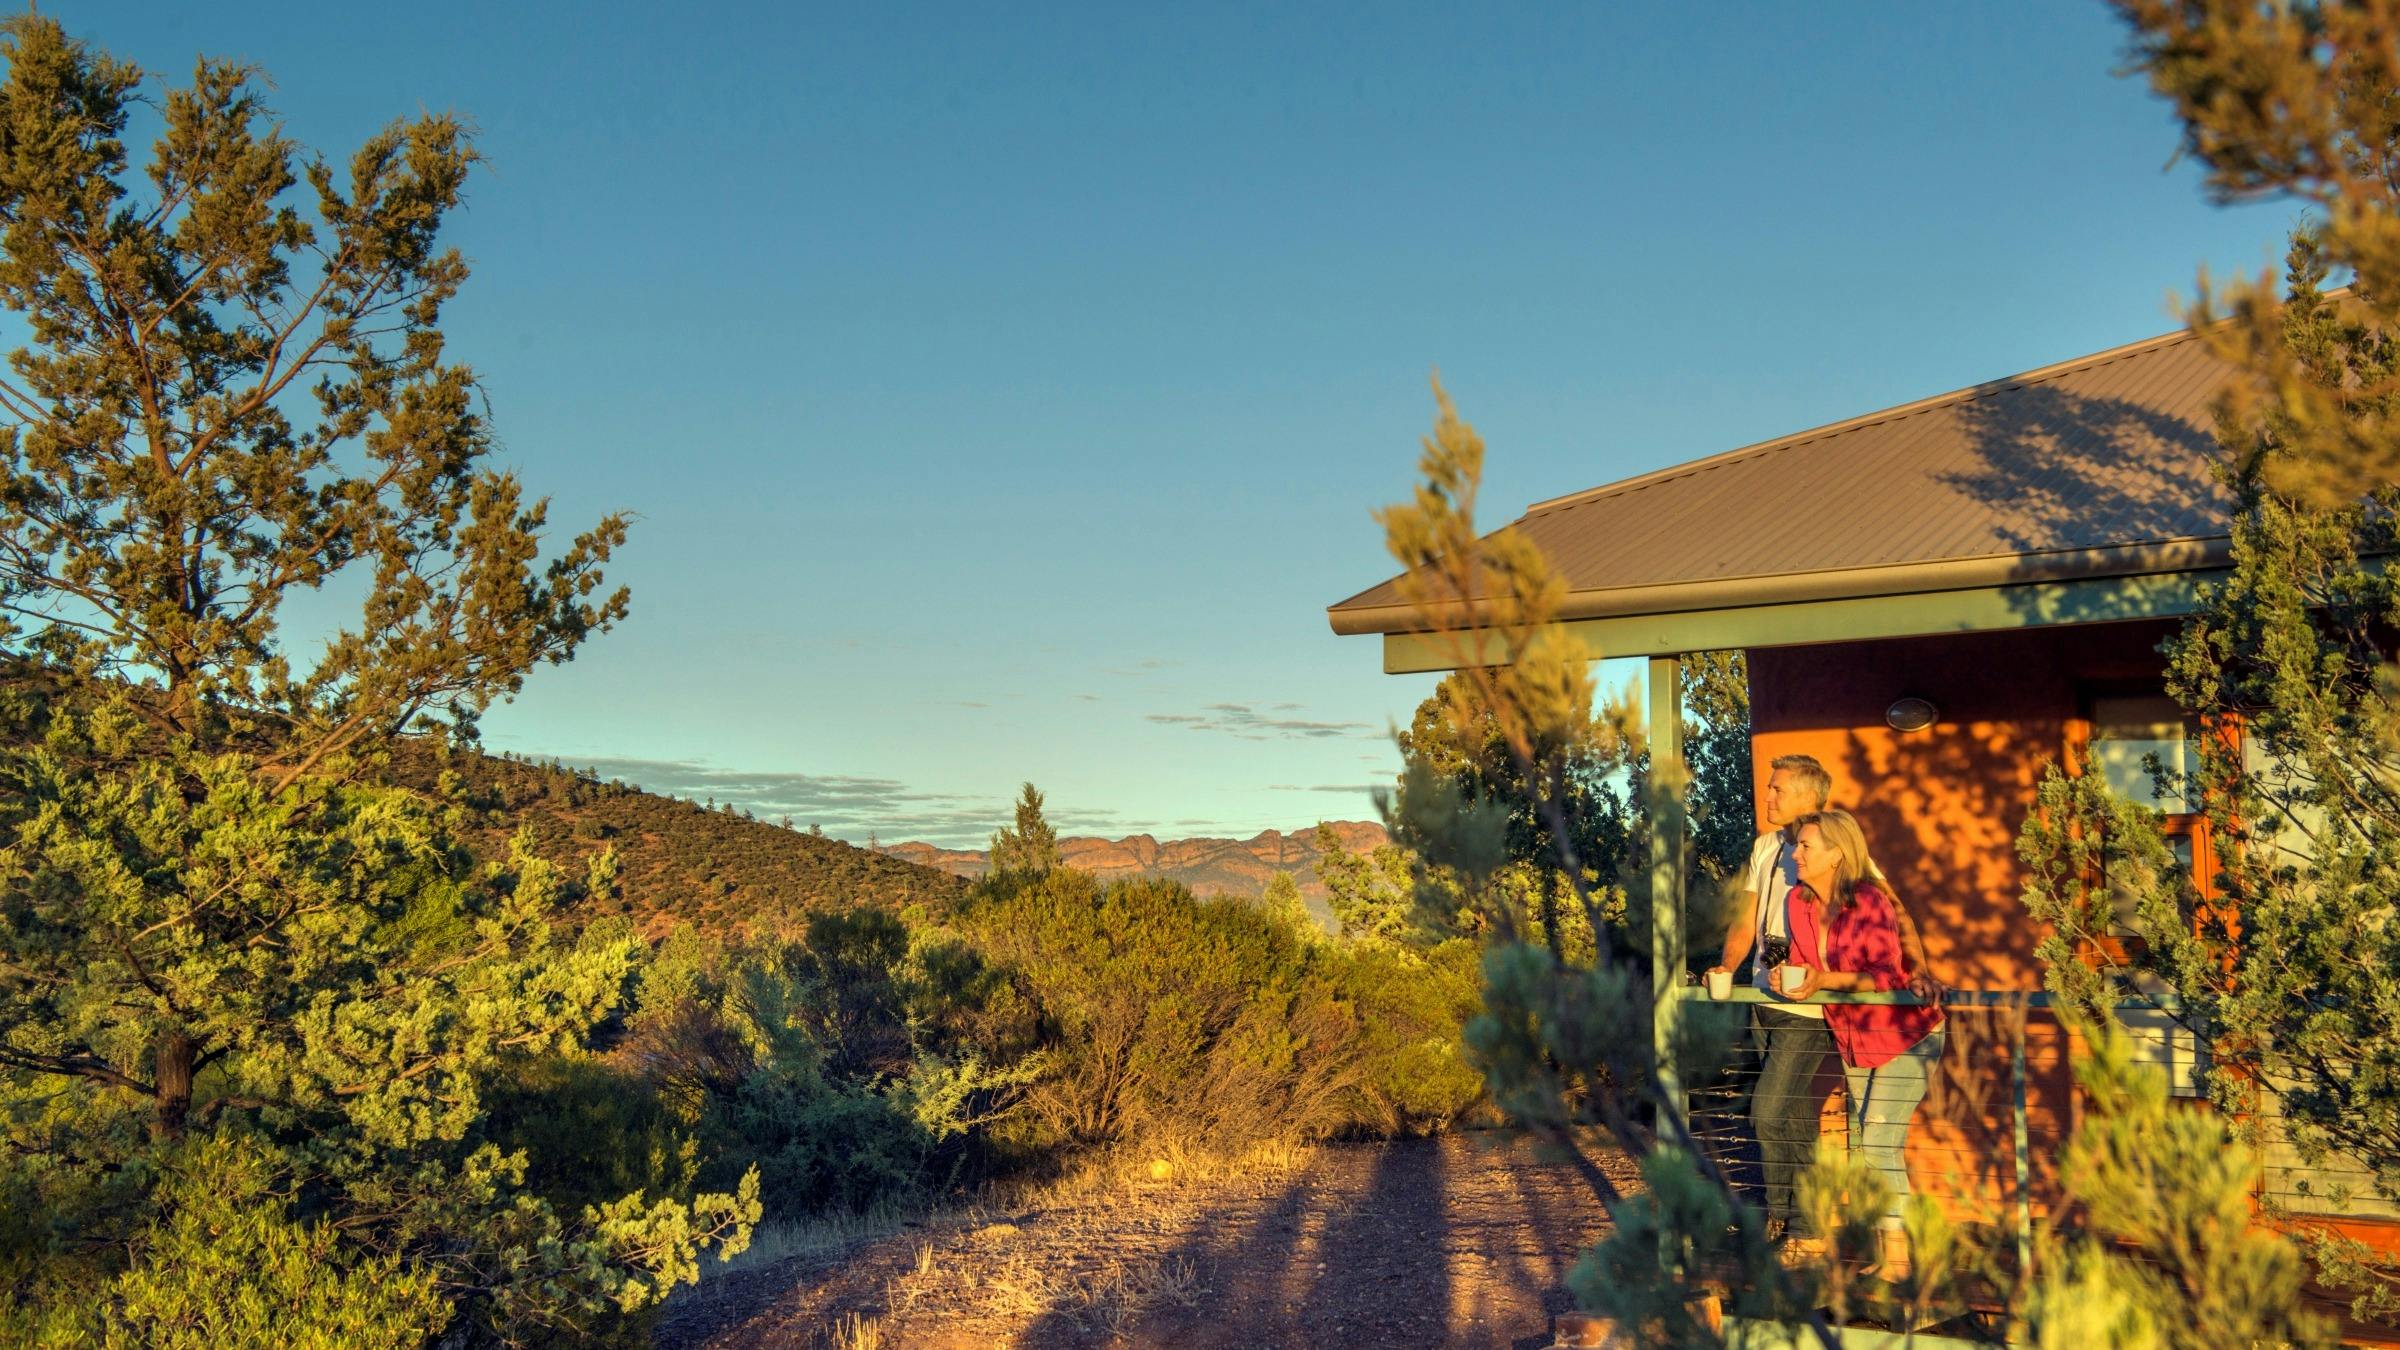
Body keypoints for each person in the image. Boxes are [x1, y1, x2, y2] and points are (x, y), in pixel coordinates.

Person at [1705, 754, 1938, 1232]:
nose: (1768, 795)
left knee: (1771, 1109)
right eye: (1769, 787)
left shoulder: (1839, 848)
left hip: (1815, 1005)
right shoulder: (1769, 852)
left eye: (1778, 789)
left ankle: (1789, 1219)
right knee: (1791, 1112)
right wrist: (1727, 966)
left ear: (1808, 798)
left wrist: (1918, 970)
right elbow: (1745, 920)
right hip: (1769, 994)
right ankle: (1802, 1225)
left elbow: (1893, 914)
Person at [1784, 808, 1946, 1273]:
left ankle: (1899, 1261)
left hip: (1906, 1035)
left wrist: (1823, 979)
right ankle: (1889, 1255)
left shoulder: (1869, 900)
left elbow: (1885, 976)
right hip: (1853, 1037)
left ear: (1836, 854)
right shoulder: (1797, 902)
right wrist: (1787, 975)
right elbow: (1802, 961)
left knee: (1877, 1140)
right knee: (1874, 1144)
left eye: (1806, 846)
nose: (1796, 854)